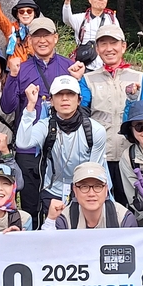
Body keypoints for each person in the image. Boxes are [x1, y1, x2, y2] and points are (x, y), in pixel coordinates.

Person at [0, 16, 90, 215]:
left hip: (61, 146)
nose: (42, 40)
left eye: (47, 35)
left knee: (62, 205)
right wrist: (12, 77)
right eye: (37, 36)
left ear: (56, 38)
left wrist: (79, 81)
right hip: (29, 148)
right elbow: (7, 107)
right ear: (30, 40)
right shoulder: (21, 68)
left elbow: (83, 106)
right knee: (30, 205)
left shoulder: (69, 66)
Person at [16, 75, 107, 219]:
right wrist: (30, 106)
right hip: (53, 190)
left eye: (70, 94)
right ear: (51, 101)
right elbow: (22, 143)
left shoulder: (95, 130)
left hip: (85, 191)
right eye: (59, 94)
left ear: (79, 100)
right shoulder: (45, 126)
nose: (65, 98)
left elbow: (94, 171)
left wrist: (81, 195)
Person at [81, 24, 143, 203]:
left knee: (134, 204)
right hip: (100, 155)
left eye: (114, 43)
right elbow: (82, 115)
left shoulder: (139, 78)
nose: (109, 49)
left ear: (124, 46)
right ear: (97, 49)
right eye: (103, 44)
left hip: (133, 155)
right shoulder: (88, 80)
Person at [43, 162, 138, 230]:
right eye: (84, 187)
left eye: (98, 186)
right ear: (75, 190)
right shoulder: (64, 218)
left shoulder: (123, 218)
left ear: (106, 190)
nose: (91, 194)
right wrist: (51, 220)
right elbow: (48, 251)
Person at [61, 0, 120, 71]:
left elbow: (118, 40)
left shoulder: (112, 20)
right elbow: (66, 19)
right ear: (90, 0)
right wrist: (67, 2)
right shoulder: (81, 18)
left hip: (106, 67)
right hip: (84, 67)